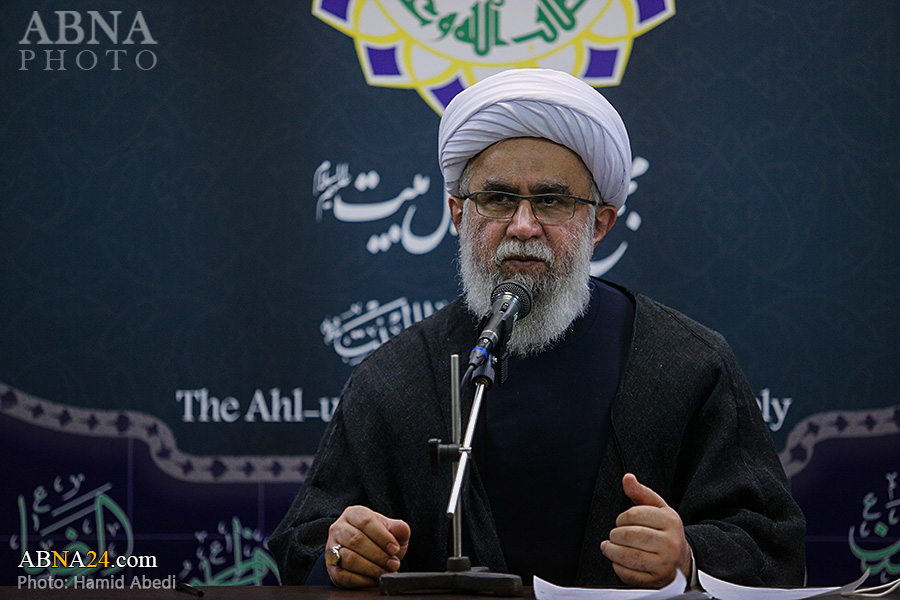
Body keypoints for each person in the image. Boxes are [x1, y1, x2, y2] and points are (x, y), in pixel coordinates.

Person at [270, 68, 806, 590]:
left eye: (551, 201)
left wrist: (688, 557)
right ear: (458, 214)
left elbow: (772, 544)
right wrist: (342, 554)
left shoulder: (688, 364)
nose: (523, 226)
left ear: (599, 224)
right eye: (498, 199)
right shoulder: (393, 379)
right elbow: (306, 545)